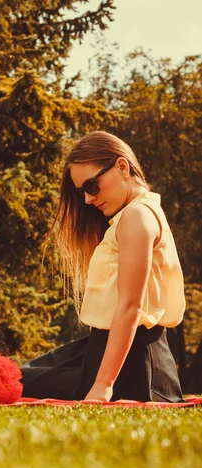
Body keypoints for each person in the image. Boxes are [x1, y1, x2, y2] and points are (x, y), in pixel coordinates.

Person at [20, 131, 185, 402]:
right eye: (82, 191)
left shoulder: (136, 216)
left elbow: (131, 307)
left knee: (14, 381)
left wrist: (103, 385)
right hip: (111, 353)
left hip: (129, 367)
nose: (87, 199)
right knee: (20, 375)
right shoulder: (140, 212)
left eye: (91, 186)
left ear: (122, 166)